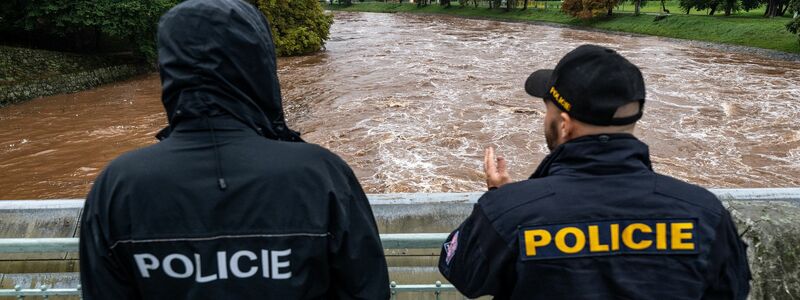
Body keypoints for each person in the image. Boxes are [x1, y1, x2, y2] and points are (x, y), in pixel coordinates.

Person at [79, 0, 390, 299]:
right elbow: (367, 290)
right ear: (260, 65)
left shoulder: (118, 185)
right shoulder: (321, 174)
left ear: (170, 69)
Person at [438, 44, 751, 299]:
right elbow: (732, 290)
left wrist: (503, 199)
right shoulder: (705, 214)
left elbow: (461, 271)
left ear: (563, 125)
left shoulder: (509, 212)